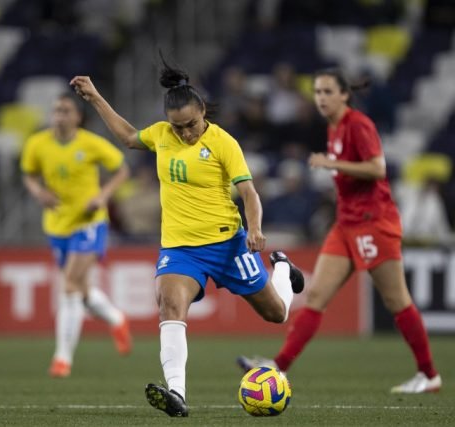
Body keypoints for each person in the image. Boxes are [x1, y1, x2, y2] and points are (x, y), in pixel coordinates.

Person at [70, 57, 305, 417]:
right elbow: (130, 137)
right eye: (177, 127)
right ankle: (176, 393)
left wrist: (255, 229)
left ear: (203, 113)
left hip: (227, 245)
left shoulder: (223, 143)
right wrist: (95, 98)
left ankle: (284, 269)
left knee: (276, 314)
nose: (185, 133)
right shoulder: (162, 135)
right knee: (168, 305)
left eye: (191, 124)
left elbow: (249, 194)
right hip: (181, 249)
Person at [237, 68, 442, 394]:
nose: (321, 98)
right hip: (346, 224)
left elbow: (377, 168)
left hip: (373, 222)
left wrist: (334, 165)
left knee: (396, 298)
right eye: (317, 92)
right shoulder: (333, 128)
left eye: (327, 92)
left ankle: (429, 374)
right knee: (316, 296)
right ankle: (279, 367)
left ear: (344, 95)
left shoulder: (358, 125)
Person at [20, 92, 132, 378]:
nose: (59, 115)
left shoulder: (91, 143)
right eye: (56, 110)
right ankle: (116, 318)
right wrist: (38, 193)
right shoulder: (37, 143)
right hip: (57, 225)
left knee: (68, 285)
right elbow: (29, 174)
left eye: (66, 110)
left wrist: (103, 196)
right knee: (80, 290)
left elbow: (122, 170)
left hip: (89, 222)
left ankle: (62, 359)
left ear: (77, 117)